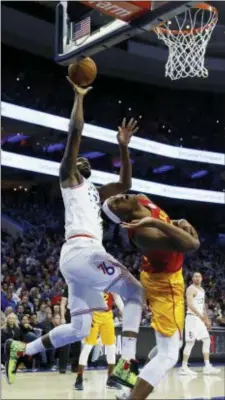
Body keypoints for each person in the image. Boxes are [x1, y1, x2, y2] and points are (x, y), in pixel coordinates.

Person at [5, 80, 144, 388]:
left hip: (76, 259)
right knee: (136, 292)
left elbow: (123, 186)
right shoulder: (69, 178)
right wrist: (79, 97)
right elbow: (75, 134)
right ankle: (127, 363)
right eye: (77, 159)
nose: (82, 160)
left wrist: (123, 146)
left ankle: (22, 349)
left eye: (85, 161)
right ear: (71, 165)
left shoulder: (97, 191)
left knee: (81, 328)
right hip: (83, 251)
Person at [101, 194, 200, 399]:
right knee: (169, 354)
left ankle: (132, 386)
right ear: (124, 217)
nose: (120, 197)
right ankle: (133, 394)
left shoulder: (141, 198)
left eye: (116, 197)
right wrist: (157, 222)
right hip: (164, 285)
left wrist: (179, 221)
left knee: (172, 346)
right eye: (116, 203)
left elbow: (168, 223)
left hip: (166, 276)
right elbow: (192, 244)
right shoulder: (143, 234)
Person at [74, 292, 124, 390]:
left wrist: (124, 312)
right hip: (93, 314)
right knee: (88, 346)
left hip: (107, 315)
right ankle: (79, 378)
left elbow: (117, 297)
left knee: (111, 346)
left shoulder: (111, 280)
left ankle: (110, 379)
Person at [179, 272, 220, 375]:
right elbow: (190, 304)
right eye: (195, 276)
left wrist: (206, 320)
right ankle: (184, 367)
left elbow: (203, 308)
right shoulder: (190, 289)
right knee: (190, 343)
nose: (197, 278)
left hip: (199, 320)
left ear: (202, 278)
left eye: (199, 276)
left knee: (207, 340)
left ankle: (207, 366)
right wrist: (200, 315)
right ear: (192, 278)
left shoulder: (202, 290)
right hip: (192, 319)